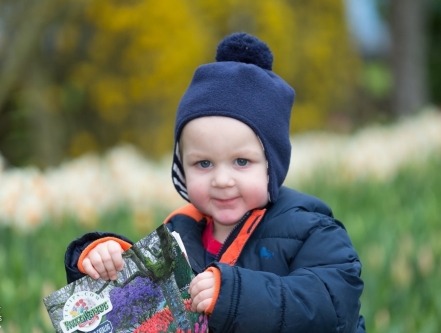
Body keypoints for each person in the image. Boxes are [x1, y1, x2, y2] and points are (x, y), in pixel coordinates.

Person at [64, 32, 366, 333]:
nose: (222, 180)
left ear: (272, 165)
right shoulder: (181, 231)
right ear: (183, 167)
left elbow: (332, 305)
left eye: (241, 162)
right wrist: (105, 260)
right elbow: (138, 314)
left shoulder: (309, 229)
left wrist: (235, 297)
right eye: (204, 163)